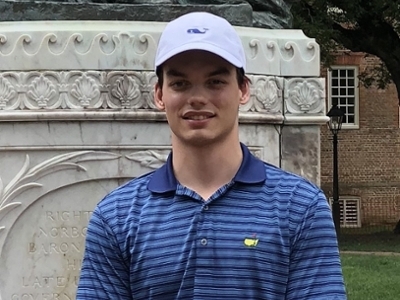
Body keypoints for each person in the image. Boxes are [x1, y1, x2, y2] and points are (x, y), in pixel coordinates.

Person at [76, 11, 347, 299]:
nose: (197, 97)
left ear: (243, 89)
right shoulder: (116, 216)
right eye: (180, 84)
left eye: (215, 82)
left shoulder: (300, 207)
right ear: (159, 94)